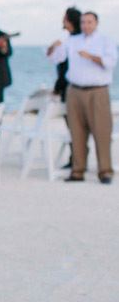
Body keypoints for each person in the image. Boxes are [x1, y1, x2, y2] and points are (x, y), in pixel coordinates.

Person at [47, 11, 116, 184]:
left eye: (89, 22)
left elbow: (110, 63)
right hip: (75, 91)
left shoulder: (105, 41)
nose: (86, 25)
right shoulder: (73, 40)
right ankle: (77, 171)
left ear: (96, 23)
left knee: (101, 132)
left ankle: (105, 171)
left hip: (97, 91)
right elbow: (56, 58)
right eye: (83, 22)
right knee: (76, 132)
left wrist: (90, 56)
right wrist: (52, 47)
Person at [51, 7, 82, 168]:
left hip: (71, 90)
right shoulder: (72, 40)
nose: (62, 20)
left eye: (64, 18)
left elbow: (65, 70)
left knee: (74, 127)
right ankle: (77, 160)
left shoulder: (72, 42)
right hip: (71, 88)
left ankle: (76, 161)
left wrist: (57, 88)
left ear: (70, 20)